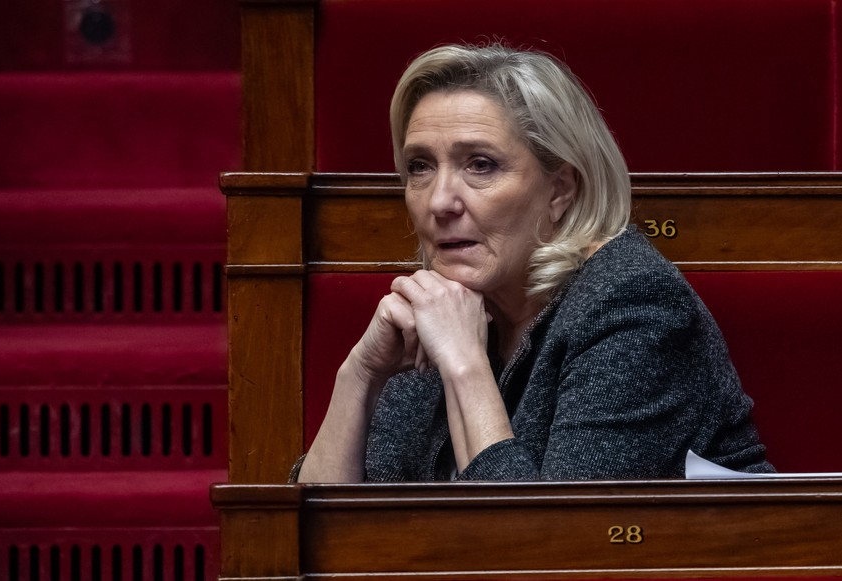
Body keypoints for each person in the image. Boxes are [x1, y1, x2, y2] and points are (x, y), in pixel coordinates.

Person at [294, 43, 773, 483]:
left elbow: (549, 549)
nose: (439, 201)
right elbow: (317, 537)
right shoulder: (450, 303)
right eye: (420, 166)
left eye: (480, 165)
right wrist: (359, 376)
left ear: (560, 189)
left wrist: (464, 365)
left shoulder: (633, 305)